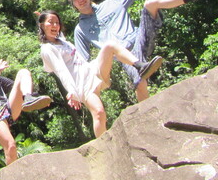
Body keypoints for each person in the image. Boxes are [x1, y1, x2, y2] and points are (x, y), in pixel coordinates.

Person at [67, 0, 205, 102]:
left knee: (150, 2)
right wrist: (77, 90)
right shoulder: (80, 30)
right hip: (124, 55)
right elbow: (82, 61)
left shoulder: (112, 3)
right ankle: (146, 113)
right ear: (74, 5)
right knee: (139, 82)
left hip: (140, 37)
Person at [38, 10, 159, 138]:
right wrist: (72, 91)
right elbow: (61, 70)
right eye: (51, 22)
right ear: (42, 25)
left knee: (110, 46)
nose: (55, 25)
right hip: (81, 85)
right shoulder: (47, 49)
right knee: (99, 113)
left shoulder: (62, 41)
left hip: (91, 70)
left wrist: (43, 18)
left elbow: (56, 33)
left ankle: (140, 66)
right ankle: (104, 145)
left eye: (57, 23)